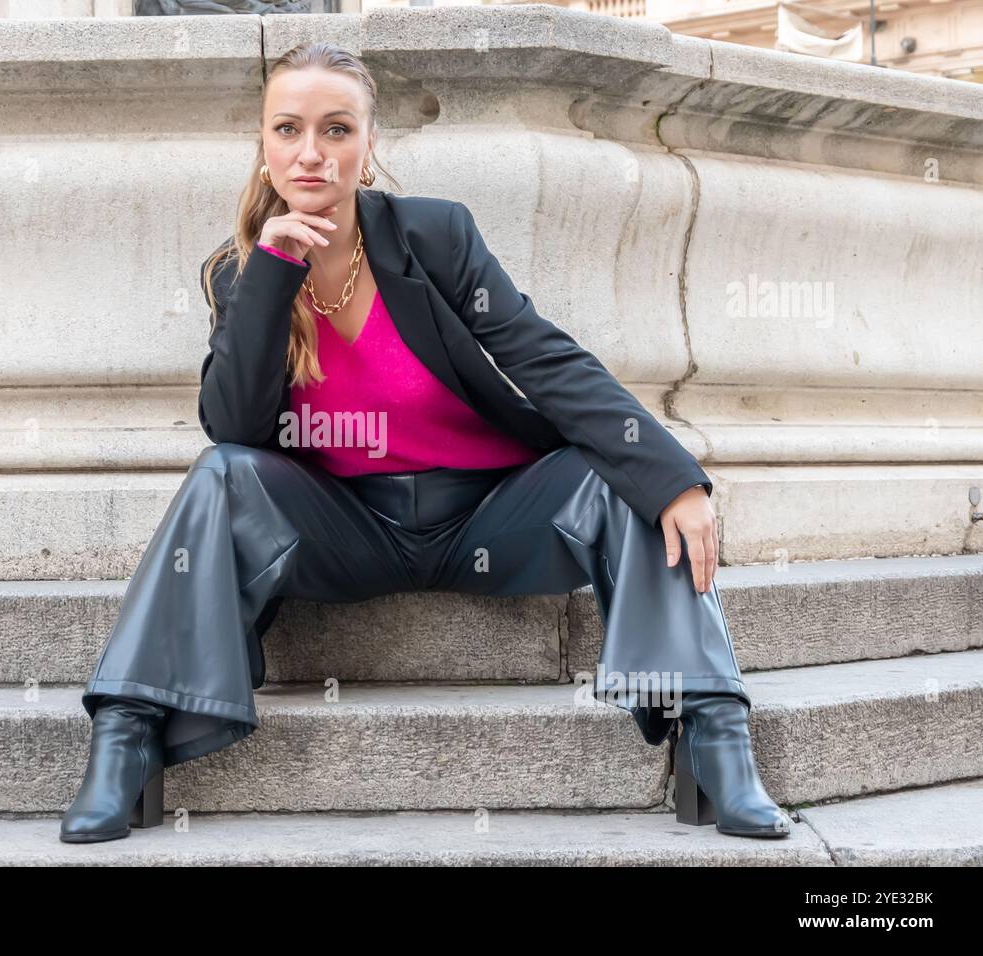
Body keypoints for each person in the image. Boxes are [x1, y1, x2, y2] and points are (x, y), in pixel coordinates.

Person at [60, 41, 792, 844]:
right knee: (220, 474)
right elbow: (235, 427)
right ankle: (125, 734)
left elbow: (541, 356)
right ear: (264, 145)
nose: (312, 152)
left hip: (490, 519)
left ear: (369, 145)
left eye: (337, 129)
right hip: (346, 529)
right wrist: (275, 269)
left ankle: (716, 732)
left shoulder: (433, 236)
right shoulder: (240, 273)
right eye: (289, 129)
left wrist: (676, 478)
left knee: (617, 474)